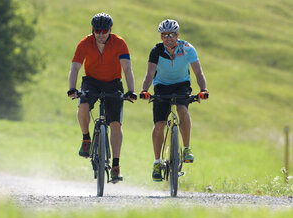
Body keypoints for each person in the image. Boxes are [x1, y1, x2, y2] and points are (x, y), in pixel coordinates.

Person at [67, 13, 137, 183]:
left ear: (110, 30)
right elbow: (75, 68)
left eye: (104, 30)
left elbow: (127, 69)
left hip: (113, 83)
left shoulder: (119, 43)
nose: (100, 33)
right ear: (93, 30)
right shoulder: (85, 43)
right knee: (82, 106)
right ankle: (86, 138)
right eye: (97, 30)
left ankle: (115, 165)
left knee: (115, 124)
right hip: (91, 82)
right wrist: (72, 88)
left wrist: (131, 90)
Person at [140, 19, 209, 182]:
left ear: (177, 35)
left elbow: (198, 73)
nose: (168, 38)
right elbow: (149, 74)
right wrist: (144, 90)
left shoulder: (187, 49)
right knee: (159, 124)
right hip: (161, 86)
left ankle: (186, 149)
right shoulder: (156, 51)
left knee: (182, 110)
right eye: (164, 35)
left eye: (172, 35)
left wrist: (203, 90)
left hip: (181, 85)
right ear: (161, 36)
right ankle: (157, 162)